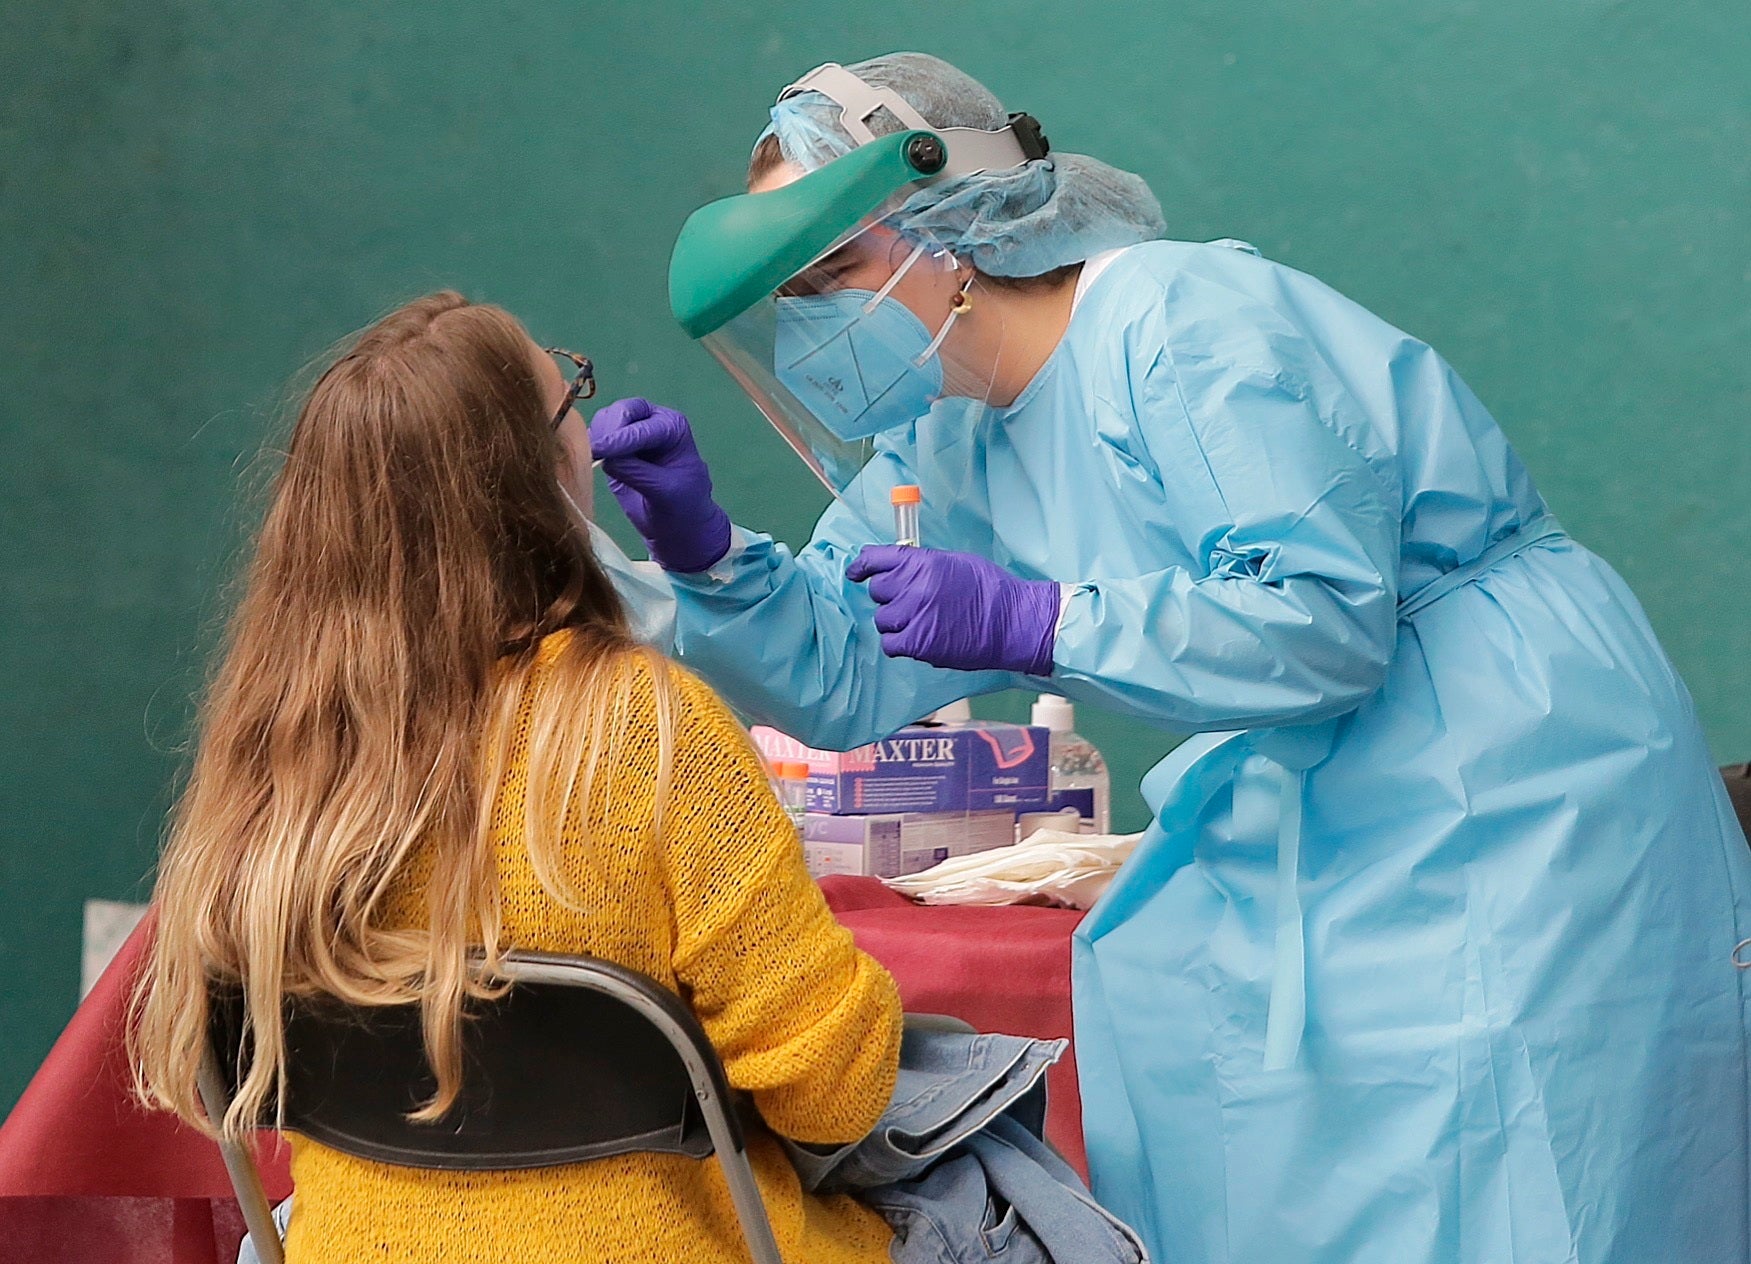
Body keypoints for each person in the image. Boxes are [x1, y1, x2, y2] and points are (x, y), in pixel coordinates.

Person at [584, 52, 1751, 1264]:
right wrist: (711, 555)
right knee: (1256, 1115)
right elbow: (848, 670)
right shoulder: (950, 424)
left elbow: (1321, 620)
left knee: (1519, 1166)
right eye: (790, 298)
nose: (813, 325)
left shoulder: (1180, 324)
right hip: (1339, 793)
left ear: (948, 224)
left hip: (1506, 775)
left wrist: (1040, 623)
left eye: (829, 274)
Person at [128, 293, 904, 1264]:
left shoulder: (269, 752)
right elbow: (831, 1092)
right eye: (569, 395)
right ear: (545, 471)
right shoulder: (651, 727)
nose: (586, 417)